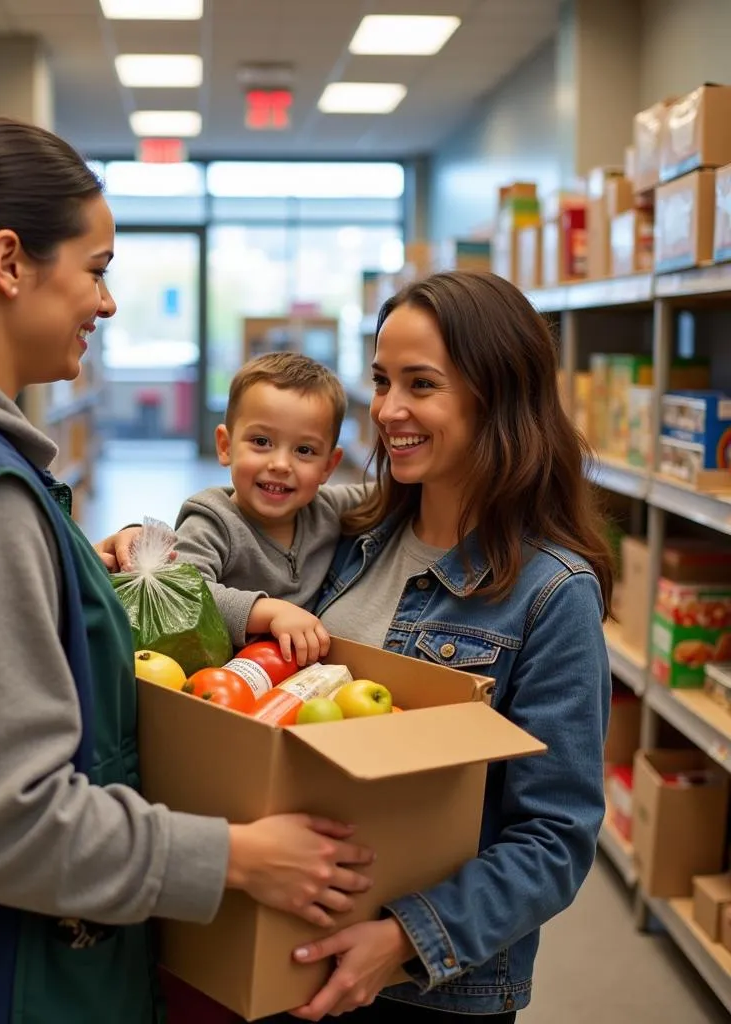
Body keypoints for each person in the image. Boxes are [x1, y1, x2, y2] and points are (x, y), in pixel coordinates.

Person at [0, 117, 375, 1024]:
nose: (107, 303)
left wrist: (63, 572)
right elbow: (7, 822)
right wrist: (242, 856)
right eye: (95, 269)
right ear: (9, 264)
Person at [104, 270, 612, 1023]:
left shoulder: (549, 593)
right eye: (381, 380)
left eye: (421, 384)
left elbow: (555, 839)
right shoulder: (352, 533)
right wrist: (141, 548)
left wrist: (403, 940)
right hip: (283, 947)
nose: (389, 410)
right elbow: (244, 519)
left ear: (496, 395)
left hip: (416, 988)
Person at [174, 352, 368, 666]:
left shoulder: (326, 509)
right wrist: (270, 612)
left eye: (304, 450)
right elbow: (181, 591)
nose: (280, 464)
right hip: (222, 684)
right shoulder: (212, 519)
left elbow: (389, 495)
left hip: (297, 685)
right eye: (262, 441)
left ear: (328, 467)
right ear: (225, 446)